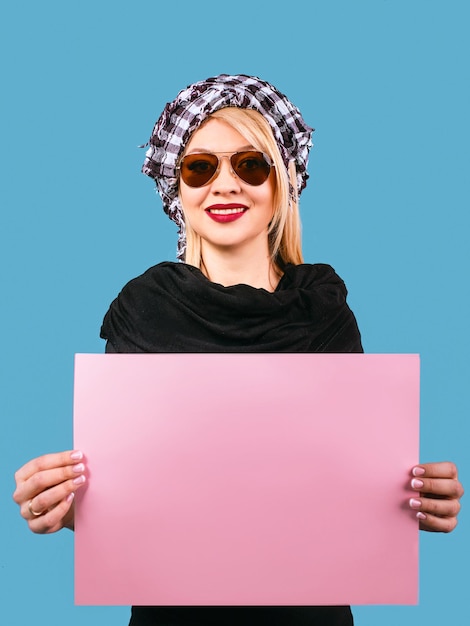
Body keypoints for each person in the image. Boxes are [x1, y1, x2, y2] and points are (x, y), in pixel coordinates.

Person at [13, 75, 464, 625]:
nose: (224, 185)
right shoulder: (144, 308)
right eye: (200, 167)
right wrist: (65, 507)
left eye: (250, 164)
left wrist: (412, 502)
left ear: (283, 182)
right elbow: (143, 497)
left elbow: (336, 488)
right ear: (177, 189)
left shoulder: (324, 311)